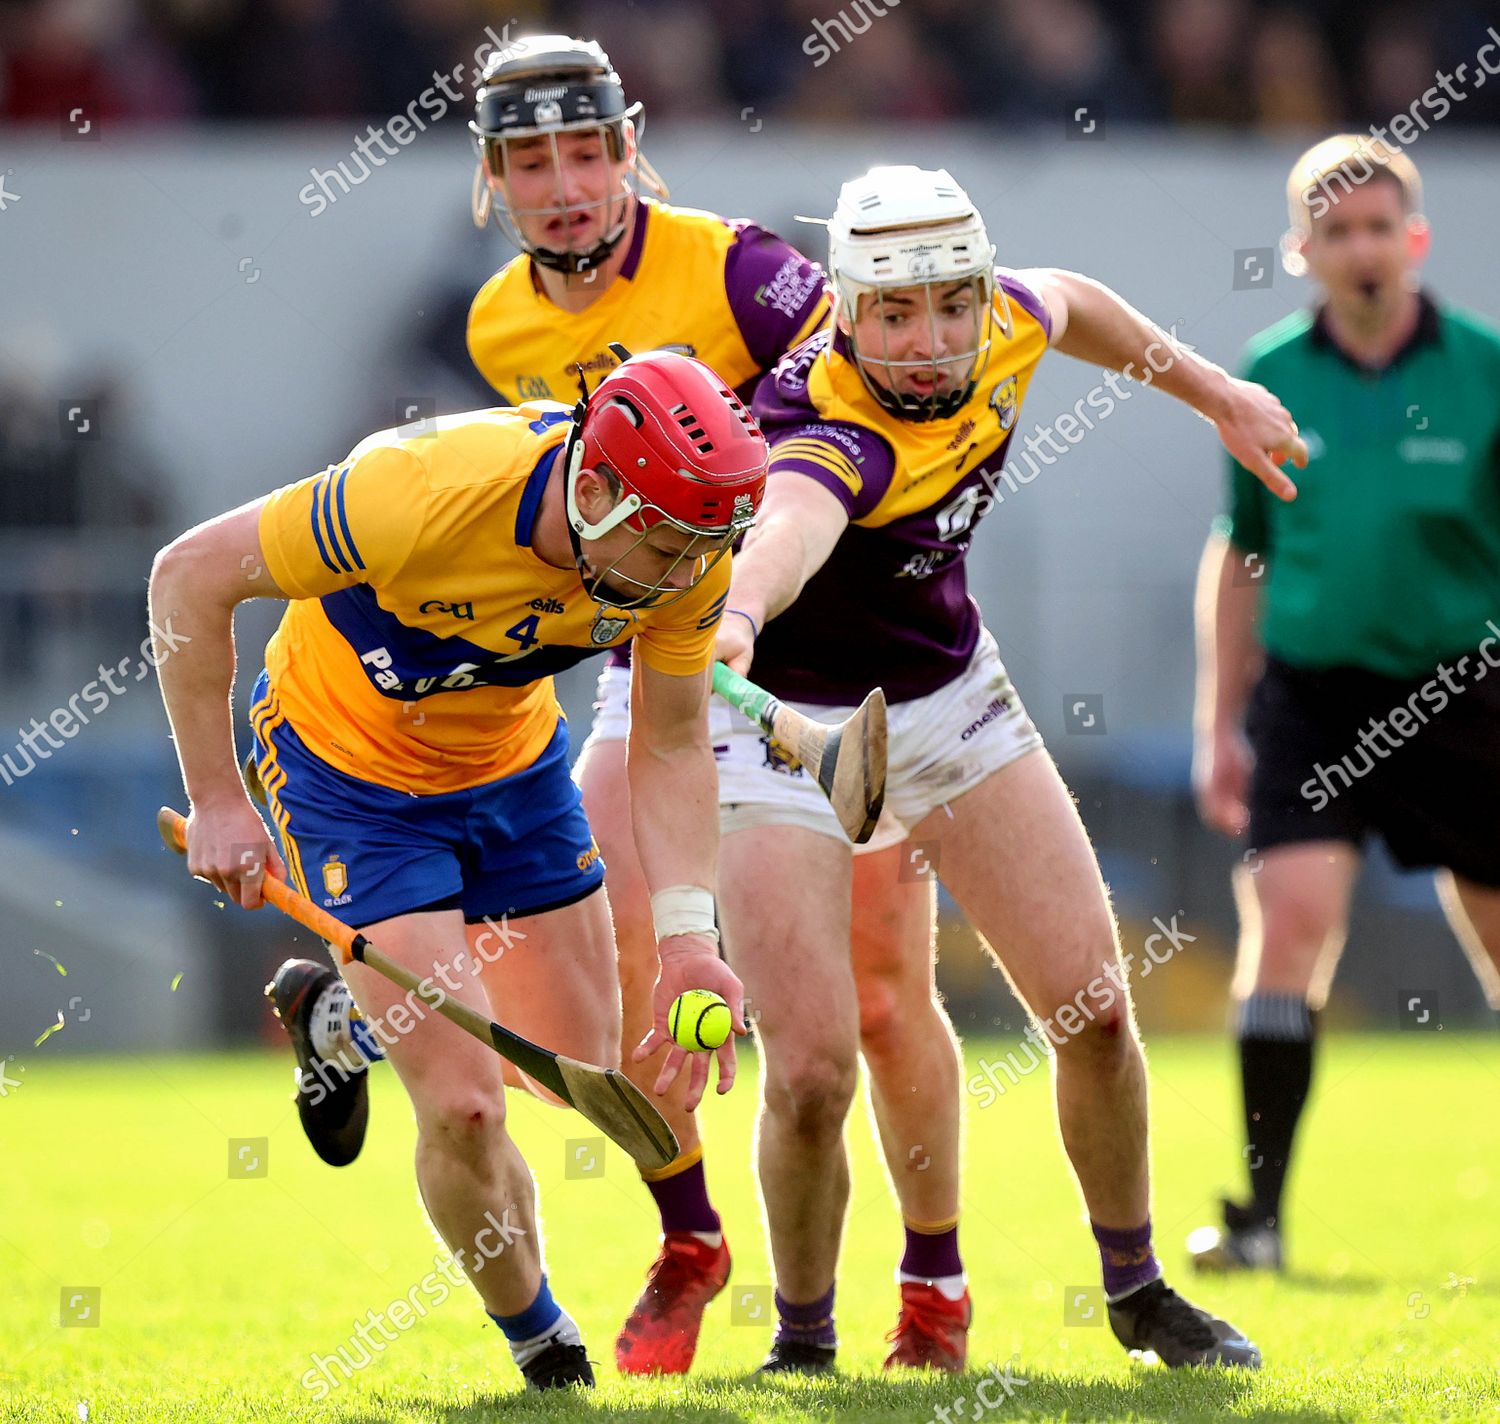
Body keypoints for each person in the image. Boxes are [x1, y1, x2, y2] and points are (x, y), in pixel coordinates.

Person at [267, 32, 978, 1374]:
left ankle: (928, 1289)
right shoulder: (497, 326)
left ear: (632, 145)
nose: (565, 185)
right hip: (652, 654)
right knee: (603, 1013)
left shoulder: (748, 270)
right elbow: (584, 512)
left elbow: (870, 390)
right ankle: (692, 1233)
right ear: (490, 178)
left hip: (819, 650)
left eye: (588, 151)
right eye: (530, 160)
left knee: (874, 1000)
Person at [712, 164, 1305, 1372]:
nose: (929, 342)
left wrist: (1217, 397)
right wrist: (739, 615)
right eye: (894, 313)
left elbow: (1076, 301)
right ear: (843, 312)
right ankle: (805, 1339)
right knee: (814, 1070)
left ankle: (1139, 1292)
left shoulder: (1005, 318)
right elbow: (790, 522)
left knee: (1091, 1008)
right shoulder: (826, 431)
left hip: (956, 701)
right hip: (788, 729)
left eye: (950, 306)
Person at [149, 351, 764, 1390]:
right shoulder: (417, 494)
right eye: (664, 542)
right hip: (349, 777)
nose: (680, 573)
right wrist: (217, 797)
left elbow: (668, 745)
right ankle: (543, 1342)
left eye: (700, 549)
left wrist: (690, 938)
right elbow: (188, 576)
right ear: (599, 486)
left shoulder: (687, 549)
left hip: (511, 773)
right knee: (469, 1102)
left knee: (579, 1072)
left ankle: (344, 1020)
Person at [1188, 135, 1500, 1272]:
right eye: (1338, 232)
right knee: (1290, 927)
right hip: (1313, 698)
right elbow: (1243, 554)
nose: (1361, 249)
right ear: (1302, 250)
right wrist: (1219, 722)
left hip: (1468, 694)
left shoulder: (1486, 367)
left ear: (1415, 240)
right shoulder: (1268, 376)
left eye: (1381, 228)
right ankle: (1259, 1221)